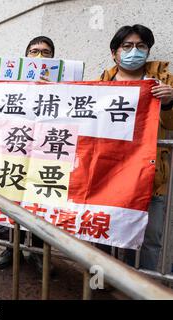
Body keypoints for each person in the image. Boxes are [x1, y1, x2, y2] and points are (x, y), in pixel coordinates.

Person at [98, 24, 173, 271]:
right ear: (114, 53)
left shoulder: (164, 82)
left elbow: (170, 126)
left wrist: (169, 103)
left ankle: (145, 287)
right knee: (102, 231)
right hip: (108, 174)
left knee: (150, 239)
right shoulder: (101, 82)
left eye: (141, 46)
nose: (134, 51)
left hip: (151, 174)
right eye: (127, 46)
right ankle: (101, 279)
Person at [0, 36, 57, 271]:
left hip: (46, 157)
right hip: (15, 154)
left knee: (41, 205)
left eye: (45, 51)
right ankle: (12, 249)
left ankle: (40, 253)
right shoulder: (11, 84)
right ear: (26, 56)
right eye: (34, 51)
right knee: (12, 204)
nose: (40, 55)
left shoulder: (66, 85)